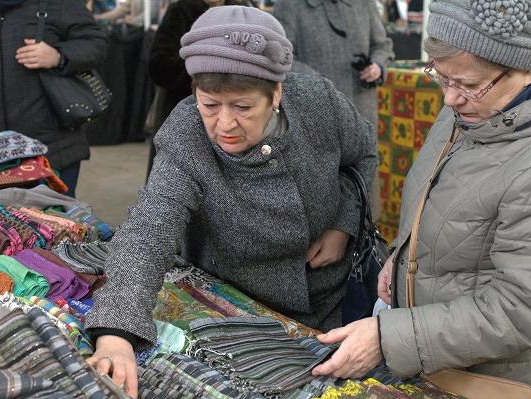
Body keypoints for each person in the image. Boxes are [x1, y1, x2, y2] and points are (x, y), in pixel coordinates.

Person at [85, 5, 377, 398]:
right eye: (209, 105)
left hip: (332, 296)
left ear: (276, 93)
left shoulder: (319, 102)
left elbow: (363, 155)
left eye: (242, 107)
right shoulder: (187, 135)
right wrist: (117, 333)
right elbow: (148, 232)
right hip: (240, 308)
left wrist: (343, 222)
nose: (224, 124)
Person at [311, 0, 531, 395]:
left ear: (526, 70)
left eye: (468, 84)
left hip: (488, 377)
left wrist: (389, 338)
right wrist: (401, 258)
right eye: (442, 77)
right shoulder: (472, 111)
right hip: (431, 355)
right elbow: (445, 207)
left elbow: (523, 309)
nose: (450, 99)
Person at [273, 0, 393, 225]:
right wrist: (320, 84)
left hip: (361, 106)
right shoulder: (289, 5)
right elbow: (281, 56)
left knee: (363, 178)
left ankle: (365, 237)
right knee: (320, 196)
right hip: (313, 112)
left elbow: (382, 44)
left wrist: (377, 66)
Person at [0, 0, 108, 197]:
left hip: (52, 150)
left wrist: (57, 56)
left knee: (54, 223)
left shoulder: (58, 3)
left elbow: (96, 44)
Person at [146, 0, 254, 175]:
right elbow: (158, 66)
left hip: (238, 119)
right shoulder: (180, 11)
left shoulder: (244, 11)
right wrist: (204, 65)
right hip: (186, 118)